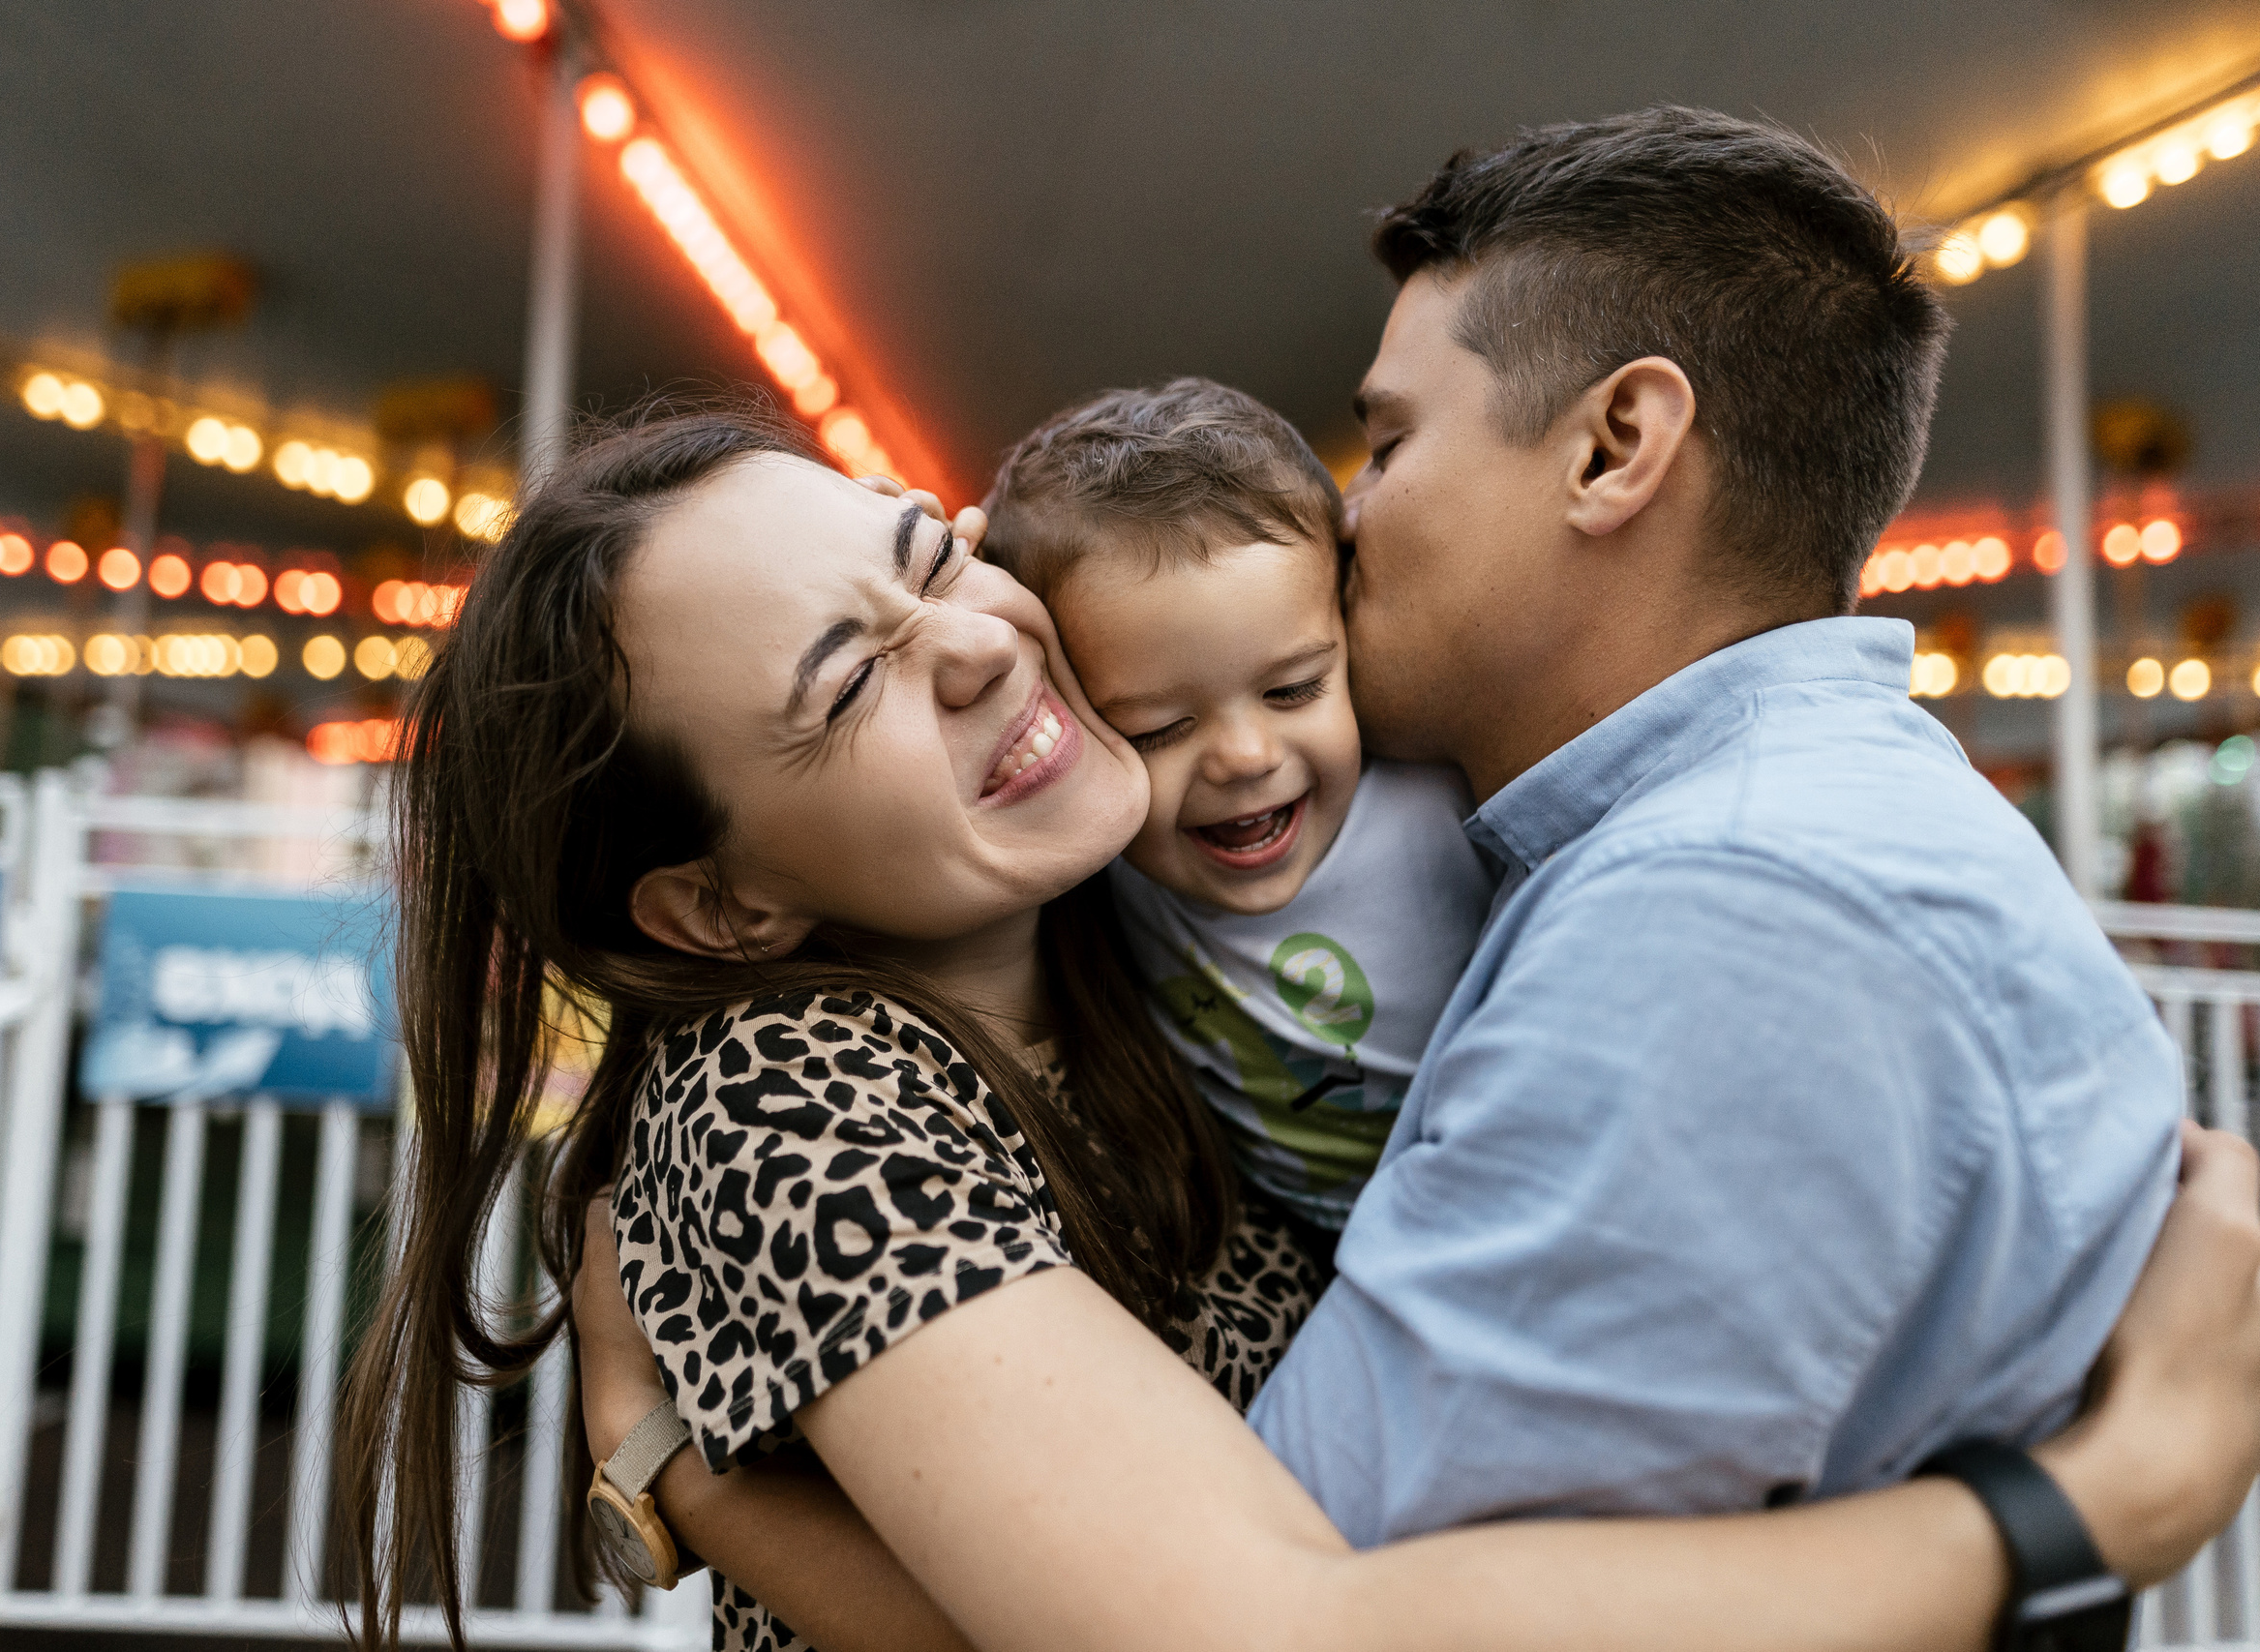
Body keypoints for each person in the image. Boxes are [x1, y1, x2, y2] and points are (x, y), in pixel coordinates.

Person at [339, 400, 2260, 1652]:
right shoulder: (789, 1097)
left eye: (929, 553)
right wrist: (2088, 1500)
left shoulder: (1137, 924)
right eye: (850, 678)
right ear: (724, 903)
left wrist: (674, 1472)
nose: (979, 642)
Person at [1242, 105, 2185, 1547]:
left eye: (1389, 441)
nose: (1344, 517)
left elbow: (1300, 1579)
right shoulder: (1779, 830)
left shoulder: (1728, 904)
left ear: (1618, 446)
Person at [979, 377, 1492, 1247]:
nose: (1246, 756)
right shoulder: (1100, 860)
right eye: (1158, 729)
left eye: (1294, 689)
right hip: (1323, 1264)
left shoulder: (1444, 805)